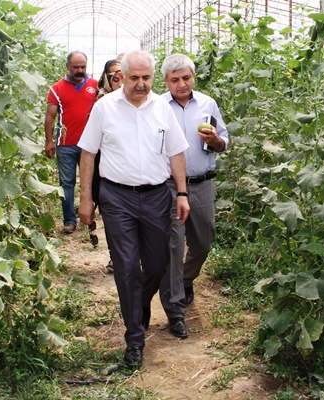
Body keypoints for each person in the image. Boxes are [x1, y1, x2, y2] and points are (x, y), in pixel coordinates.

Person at [77, 50, 190, 368]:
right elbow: (87, 154)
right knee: (126, 268)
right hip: (117, 198)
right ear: (121, 77)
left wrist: (181, 193)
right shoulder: (104, 109)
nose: (141, 84)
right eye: (134, 78)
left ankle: (137, 306)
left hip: (156, 196)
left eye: (146, 78)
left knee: (156, 265)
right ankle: (135, 340)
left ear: (153, 77)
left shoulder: (162, 109)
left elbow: (176, 152)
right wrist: (87, 199)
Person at [158, 53, 229, 338]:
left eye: (186, 78)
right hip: (168, 188)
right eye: (175, 80)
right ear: (165, 82)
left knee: (203, 243)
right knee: (173, 246)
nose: (181, 84)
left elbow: (224, 141)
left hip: (201, 184)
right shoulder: (157, 106)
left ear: (193, 77)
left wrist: (216, 140)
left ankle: (186, 280)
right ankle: (175, 310)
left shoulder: (207, 104)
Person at [44, 51, 98, 234]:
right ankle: (69, 220)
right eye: (76, 67)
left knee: (90, 182)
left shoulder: (95, 86)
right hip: (65, 144)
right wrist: (49, 141)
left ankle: (89, 217)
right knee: (67, 183)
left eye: (83, 67)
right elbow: (50, 116)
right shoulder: (57, 88)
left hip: (90, 145)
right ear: (67, 66)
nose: (80, 70)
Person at [92, 59, 123, 273]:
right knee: (111, 214)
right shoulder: (101, 102)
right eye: (114, 76)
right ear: (106, 78)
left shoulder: (143, 101)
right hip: (104, 166)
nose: (119, 81)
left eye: (123, 75)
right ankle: (116, 257)